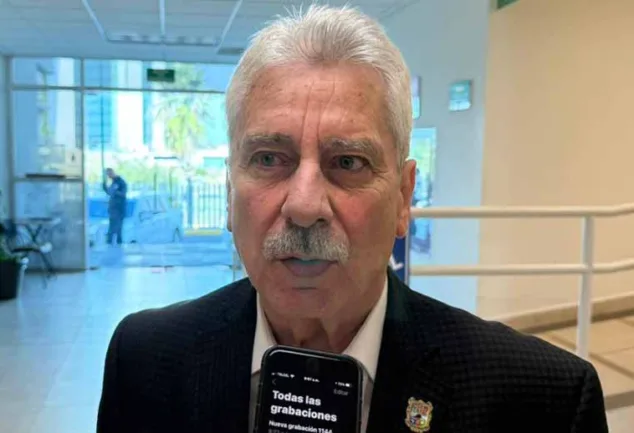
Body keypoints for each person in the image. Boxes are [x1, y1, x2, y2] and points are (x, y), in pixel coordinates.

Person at [97, 6, 608, 433]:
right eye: (269, 158)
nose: (304, 206)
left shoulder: (544, 404)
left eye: (348, 162)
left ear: (404, 197)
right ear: (231, 190)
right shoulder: (145, 361)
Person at [102, 167, 127, 245]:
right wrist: (104, 186)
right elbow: (110, 192)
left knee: (116, 228)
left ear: (112, 173)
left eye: (109, 174)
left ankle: (114, 243)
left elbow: (123, 194)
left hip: (118, 209)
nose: (109, 176)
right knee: (113, 227)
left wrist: (114, 191)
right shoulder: (114, 182)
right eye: (107, 175)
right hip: (113, 208)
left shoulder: (121, 182)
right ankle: (111, 243)